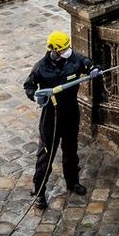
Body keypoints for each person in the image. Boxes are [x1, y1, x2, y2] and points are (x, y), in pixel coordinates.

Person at [22, 30, 97, 209]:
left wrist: (94, 69)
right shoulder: (41, 67)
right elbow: (29, 86)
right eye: (63, 50)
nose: (67, 51)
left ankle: (72, 182)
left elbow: (87, 63)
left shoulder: (74, 60)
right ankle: (39, 192)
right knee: (45, 156)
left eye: (67, 48)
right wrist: (36, 96)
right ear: (54, 51)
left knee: (71, 150)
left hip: (71, 112)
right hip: (51, 117)